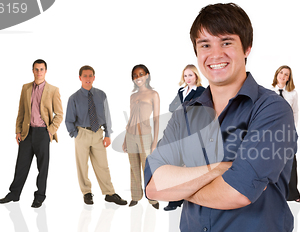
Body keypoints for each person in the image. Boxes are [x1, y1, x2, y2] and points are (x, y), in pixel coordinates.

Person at [144, 3, 297, 232]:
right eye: (205, 45)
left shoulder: (272, 109)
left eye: (226, 42)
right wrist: (221, 169)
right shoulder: (186, 114)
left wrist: (180, 185)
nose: (215, 54)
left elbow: (237, 193)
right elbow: (153, 186)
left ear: (247, 48)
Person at [0, 59, 63, 208]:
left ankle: (39, 196)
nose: (39, 72)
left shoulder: (53, 90)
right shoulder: (26, 88)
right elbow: (21, 111)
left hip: (43, 133)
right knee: (21, 165)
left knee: (42, 167)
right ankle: (14, 194)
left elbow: (59, 114)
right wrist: (18, 130)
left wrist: (50, 131)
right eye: (36, 69)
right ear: (32, 71)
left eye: (41, 69)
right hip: (27, 133)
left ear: (46, 71)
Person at [65, 65, 127, 206]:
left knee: (103, 165)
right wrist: (76, 134)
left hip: (98, 134)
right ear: (80, 78)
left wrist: (107, 134)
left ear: (94, 77)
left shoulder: (101, 95)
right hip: (82, 134)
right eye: (85, 76)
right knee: (82, 165)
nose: (88, 78)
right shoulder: (74, 98)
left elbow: (107, 115)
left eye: (90, 75)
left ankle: (109, 193)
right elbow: (69, 119)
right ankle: (87, 193)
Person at [165, 64, 205, 211]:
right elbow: (171, 107)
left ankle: (193, 195)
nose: (188, 78)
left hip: (193, 131)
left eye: (191, 75)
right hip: (179, 131)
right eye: (186, 75)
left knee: (191, 164)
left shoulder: (202, 91)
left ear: (196, 76)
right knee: (176, 164)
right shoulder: (181, 91)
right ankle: (175, 199)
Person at [122, 64, 160, 209]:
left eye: (141, 74)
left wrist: (155, 141)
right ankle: (136, 196)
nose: (138, 77)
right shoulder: (133, 96)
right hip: (131, 135)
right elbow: (130, 118)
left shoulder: (153, 94)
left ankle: (152, 198)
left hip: (145, 136)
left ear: (147, 75)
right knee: (133, 167)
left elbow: (156, 119)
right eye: (135, 75)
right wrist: (125, 139)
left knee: (148, 168)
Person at [271, 65, 300, 203]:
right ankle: (274, 193)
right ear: (277, 74)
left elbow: (295, 112)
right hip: (273, 132)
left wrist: (293, 128)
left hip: (288, 131)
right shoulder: (269, 91)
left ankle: (293, 193)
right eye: (281, 73)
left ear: (289, 78)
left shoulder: (292, 93)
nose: (283, 76)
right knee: (272, 161)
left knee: (291, 162)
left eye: (286, 74)